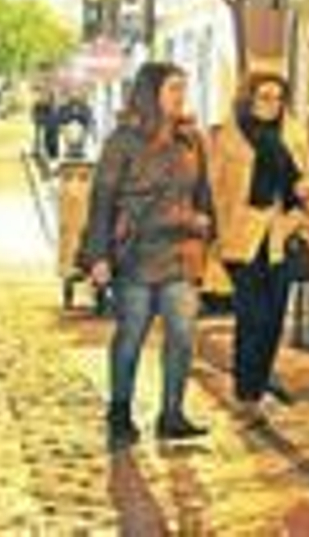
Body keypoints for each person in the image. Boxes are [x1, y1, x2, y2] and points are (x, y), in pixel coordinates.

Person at [82, 63, 214, 448]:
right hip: (137, 253)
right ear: (150, 92)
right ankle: (120, 410)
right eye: (173, 88)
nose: (180, 96)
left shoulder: (191, 139)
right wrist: (99, 255)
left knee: (183, 333)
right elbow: (102, 198)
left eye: (183, 89)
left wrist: (206, 226)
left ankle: (172, 413)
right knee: (131, 334)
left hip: (181, 251)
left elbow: (202, 192)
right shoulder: (123, 140)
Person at [210, 71, 309, 413]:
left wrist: (308, 195)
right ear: (249, 98)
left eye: (277, 98)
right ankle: (246, 390)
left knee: (274, 316)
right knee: (252, 315)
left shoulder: (293, 132)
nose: (272, 105)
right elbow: (217, 188)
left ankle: (257, 386)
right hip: (242, 236)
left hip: (282, 232)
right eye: (264, 97)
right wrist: (218, 232)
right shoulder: (231, 136)